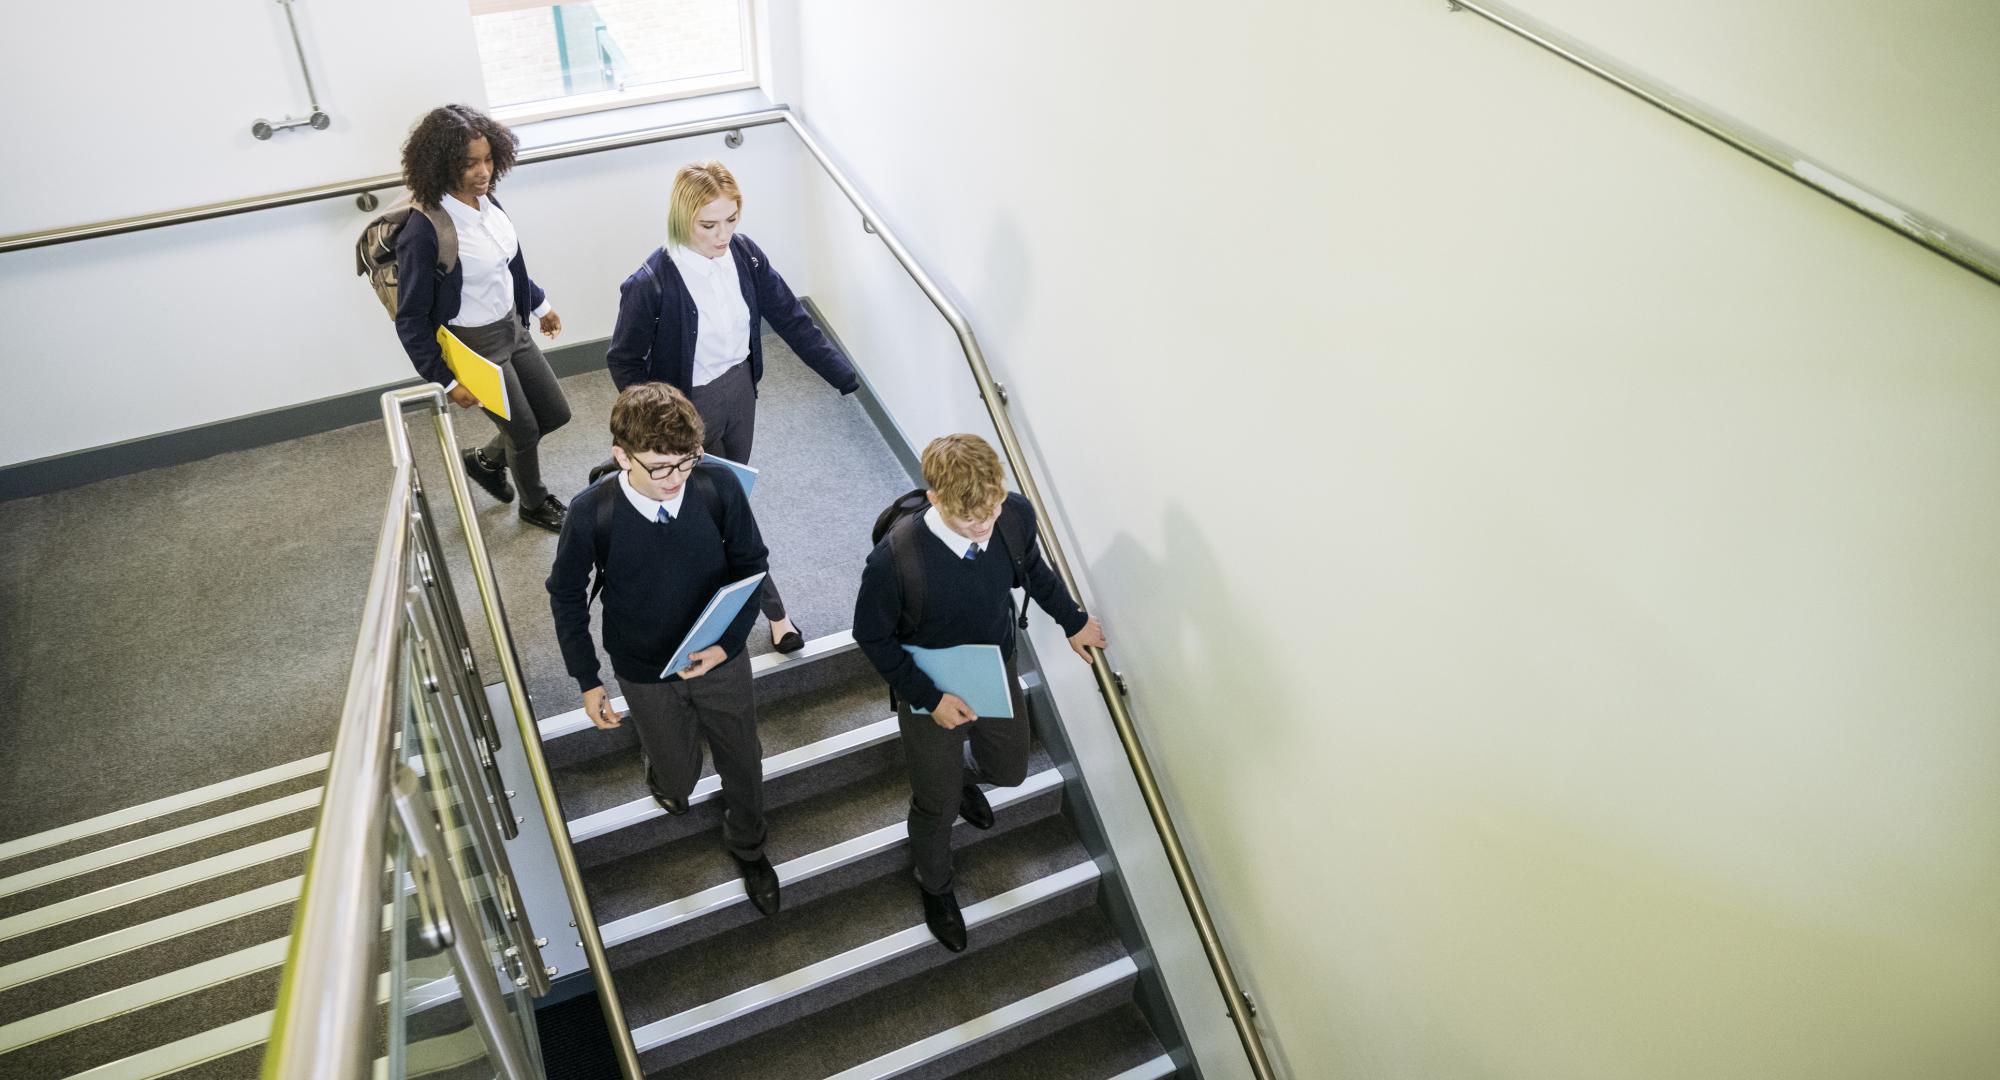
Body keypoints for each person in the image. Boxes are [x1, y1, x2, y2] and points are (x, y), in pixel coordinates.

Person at [852, 434, 1108, 951]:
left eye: (990, 510)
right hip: (930, 684)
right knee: (936, 803)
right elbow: (872, 636)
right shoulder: (895, 560)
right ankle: (936, 884)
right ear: (937, 499)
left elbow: (1032, 570)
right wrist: (928, 698)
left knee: (1011, 769)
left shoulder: (1012, 515)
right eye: (970, 519)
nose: (984, 526)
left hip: (994, 664)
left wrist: (1073, 621)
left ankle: (962, 778)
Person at [600, 159, 859, 652]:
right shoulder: (651, 282)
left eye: (732, 219)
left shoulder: (745, 255)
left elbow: (790, 315)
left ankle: (723, 589)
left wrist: (841, 374)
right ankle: (776, 614)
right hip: (686, 410)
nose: (723, 235)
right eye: (709, 225)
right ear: (682, 219)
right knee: (727, 506)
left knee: (728, 500)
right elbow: (623, 361)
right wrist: (657, 427)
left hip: (740, 392)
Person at [546, 383, 781, 914]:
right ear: (621, 455)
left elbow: (753, 566)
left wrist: (727, 644)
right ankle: (666, 774)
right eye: (659, 468)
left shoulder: (715, 483)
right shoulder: (590, 513)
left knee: (743, 758)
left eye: (685, 463)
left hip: (720, 656)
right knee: (677, 775)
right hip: (645, 667)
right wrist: (587, 679)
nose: (675, 480)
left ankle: (750, 845)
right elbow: (565, 594)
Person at [395, 104, 572, 532]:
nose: (483, 171)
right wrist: (447, 379)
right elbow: (411, 319)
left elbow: (508, 265)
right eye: (469, 163)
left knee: (554, 413)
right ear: (441, 165)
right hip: (475, 345)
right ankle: (533, 503)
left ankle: (487, 460)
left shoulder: (488, 203)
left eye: (489, 159)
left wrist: (540, 305)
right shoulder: (425, 231)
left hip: (513, 327)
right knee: (525, 430)